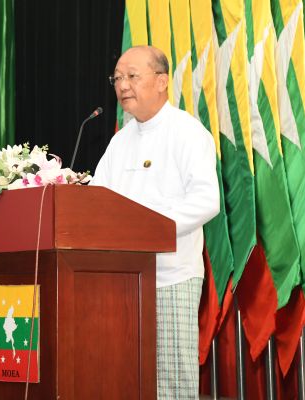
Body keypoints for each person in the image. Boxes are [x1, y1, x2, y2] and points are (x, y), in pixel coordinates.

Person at [91, 46, 220, 399]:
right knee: (123, 378)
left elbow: (207, 201)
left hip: (170, 277)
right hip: (120, 281)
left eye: (132, 76)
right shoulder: (120, 141)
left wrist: (148, 227)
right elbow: (96, 202)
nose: (122, 85)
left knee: (171, 385)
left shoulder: (187, 132)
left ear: (162, 81)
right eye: (118, 78)